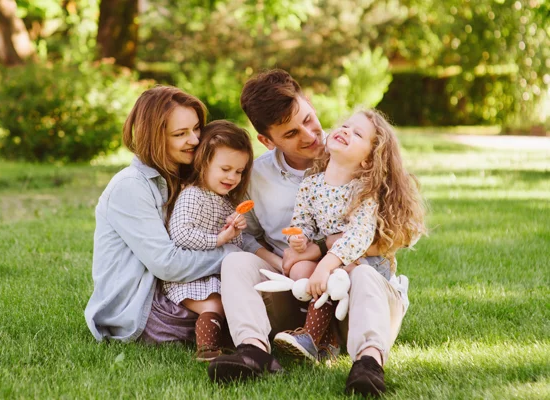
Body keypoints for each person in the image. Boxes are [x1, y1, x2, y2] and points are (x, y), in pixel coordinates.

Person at [208, 70, 416, 397]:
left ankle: (369, 363)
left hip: (359, 293)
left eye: (308, 118)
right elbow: (246, 235)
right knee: (235, 262)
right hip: (297, 290)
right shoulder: (256, 176)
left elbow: (405, 231)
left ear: (310, 103)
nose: (310, 135)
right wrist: (282, 260)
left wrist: (323, 252)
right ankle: (253, 350)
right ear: (267, 140)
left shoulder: (361, 148)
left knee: (361, 275)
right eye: (291, 133)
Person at [273, 110, 426, 396]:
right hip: (334, 268)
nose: (345, 131)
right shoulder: (311, 185)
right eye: (345, 126)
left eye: (358, 134)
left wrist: (326, 264)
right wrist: (300, 239)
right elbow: (303, 222)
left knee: (341, 274)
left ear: (368, 159)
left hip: (364, 271)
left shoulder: (363, 191)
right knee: (299, 271)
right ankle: (323, 338)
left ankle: (357, 357)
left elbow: (359, 236)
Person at [84, 86, 239, 345]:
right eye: (180, 134)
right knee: (235, 309)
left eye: (196, 128)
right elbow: (167, 264)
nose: (195, 140)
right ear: (154, 138)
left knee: (248, 298)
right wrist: (233, 256)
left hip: (177, 289)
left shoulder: (185, 177)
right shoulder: (131, 186)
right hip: (142, 307)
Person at [161, 120, 256, 361]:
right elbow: (180, 234)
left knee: (235, 300)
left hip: (212, 274)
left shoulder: (224, 201)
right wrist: (219, 239)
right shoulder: (193, 194)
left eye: (239, 171)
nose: (232, 177)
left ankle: (235, 340)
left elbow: (235, 249)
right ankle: (206, 349)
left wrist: (234, 232)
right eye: (225, 169)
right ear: (204, 163)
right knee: (214, 305)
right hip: (190, 276)